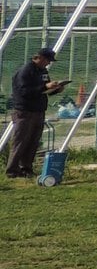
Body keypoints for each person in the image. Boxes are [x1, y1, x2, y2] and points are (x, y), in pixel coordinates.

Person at [6, 47, 68, 179]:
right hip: (24, 111)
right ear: (39, 58)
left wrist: (56, 89)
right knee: (20, 141)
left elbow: (44, 90)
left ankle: (26, 168)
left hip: (39, 110)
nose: (48, 63)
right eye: (47, 60)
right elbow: (24, 92)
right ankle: (12, 170)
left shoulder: (43, 71)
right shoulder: (25, 71)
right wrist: (45, 87)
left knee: (33, 141)